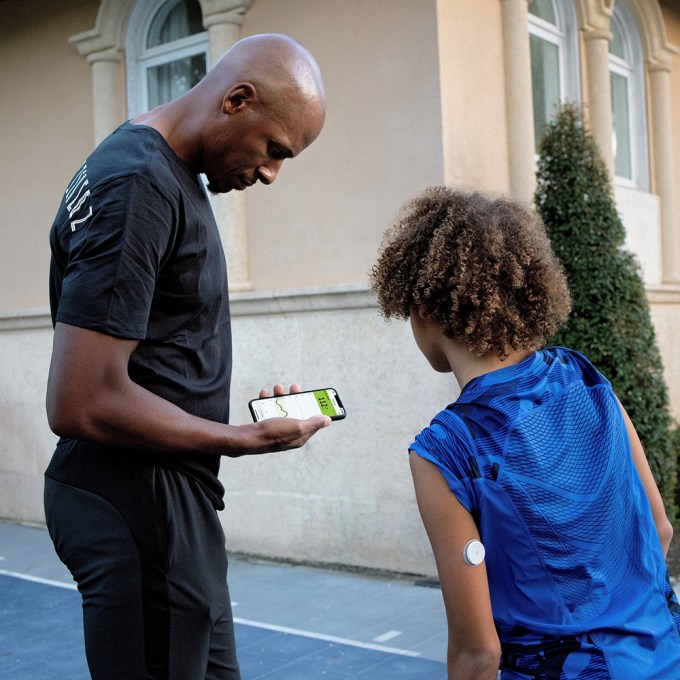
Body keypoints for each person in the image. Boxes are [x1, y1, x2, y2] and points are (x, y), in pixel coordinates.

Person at [44, 34, 329, 680]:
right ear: (237, 99)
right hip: (140, 503)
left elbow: (153, 349)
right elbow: (78, 398)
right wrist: (239, 438)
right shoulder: (139, 182)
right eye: (273, 150)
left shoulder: (153, 166)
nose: (269, 174)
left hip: (173, 506)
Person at [370, 186, 680, 679]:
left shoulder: (445, 450)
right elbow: (659, 528)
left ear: (423, 308)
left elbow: (478, 654)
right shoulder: (585, 379)